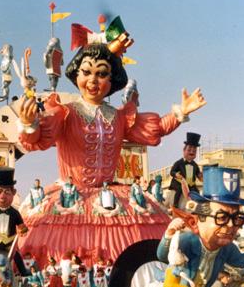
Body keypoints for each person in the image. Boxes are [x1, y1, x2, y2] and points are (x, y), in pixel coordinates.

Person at [17, 31, 208, 264]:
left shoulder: (119, 117)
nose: (93, 81)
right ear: (76, 74)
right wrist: (28, 124)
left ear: (112, 80)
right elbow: (38, 139)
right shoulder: (65, 112)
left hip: (111, 195)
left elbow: (154, 128)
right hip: (70, 196)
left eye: (101, 74)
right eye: (86, 72)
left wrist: (180, 113)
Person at [168, 132, 201, 209]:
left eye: (194, 151)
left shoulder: (195, 165)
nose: (192, 152)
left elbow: (198, 174)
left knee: (197, 191)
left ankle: (198, 206)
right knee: (179, 190)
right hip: (179, 182)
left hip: (190, 184)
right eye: (189, 150)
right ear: (184, 150)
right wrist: (176, 174)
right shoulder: (179, 163)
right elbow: (172, 172)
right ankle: (175, 205)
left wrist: (200, 176)